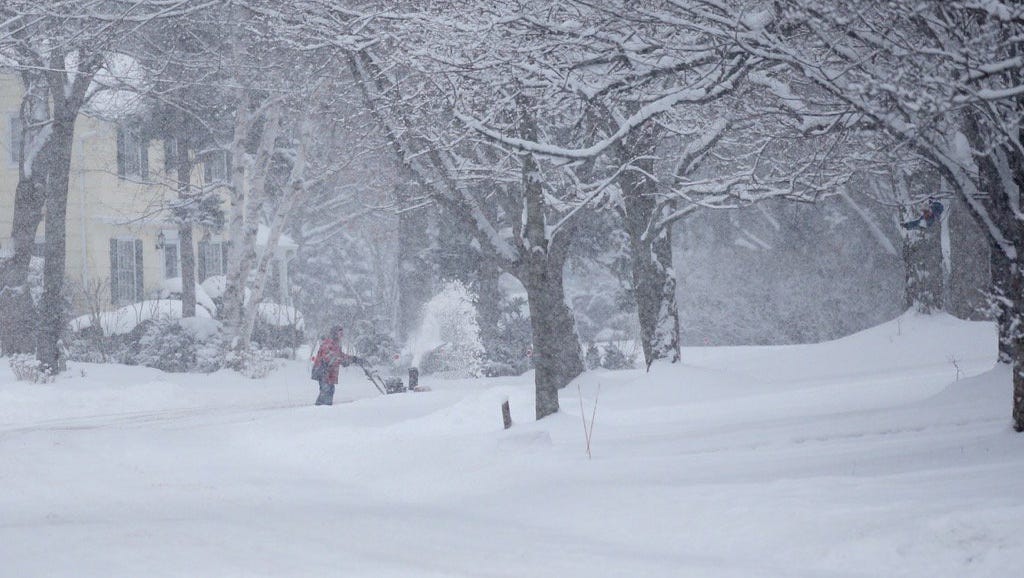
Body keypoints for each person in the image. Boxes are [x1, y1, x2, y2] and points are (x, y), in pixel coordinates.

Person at [311, 325, 358, 406]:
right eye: (340, 333)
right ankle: (320, 410)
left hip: (329, 373)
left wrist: (353, 359)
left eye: (342, 333)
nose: (342, 336)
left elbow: (340, 355)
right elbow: (329, 359)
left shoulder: (336, 345)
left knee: (329, 390)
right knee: (326, 391)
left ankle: (323, 410)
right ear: (335, 334)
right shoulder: (328, 343)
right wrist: (342, 361)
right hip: (323, 372)